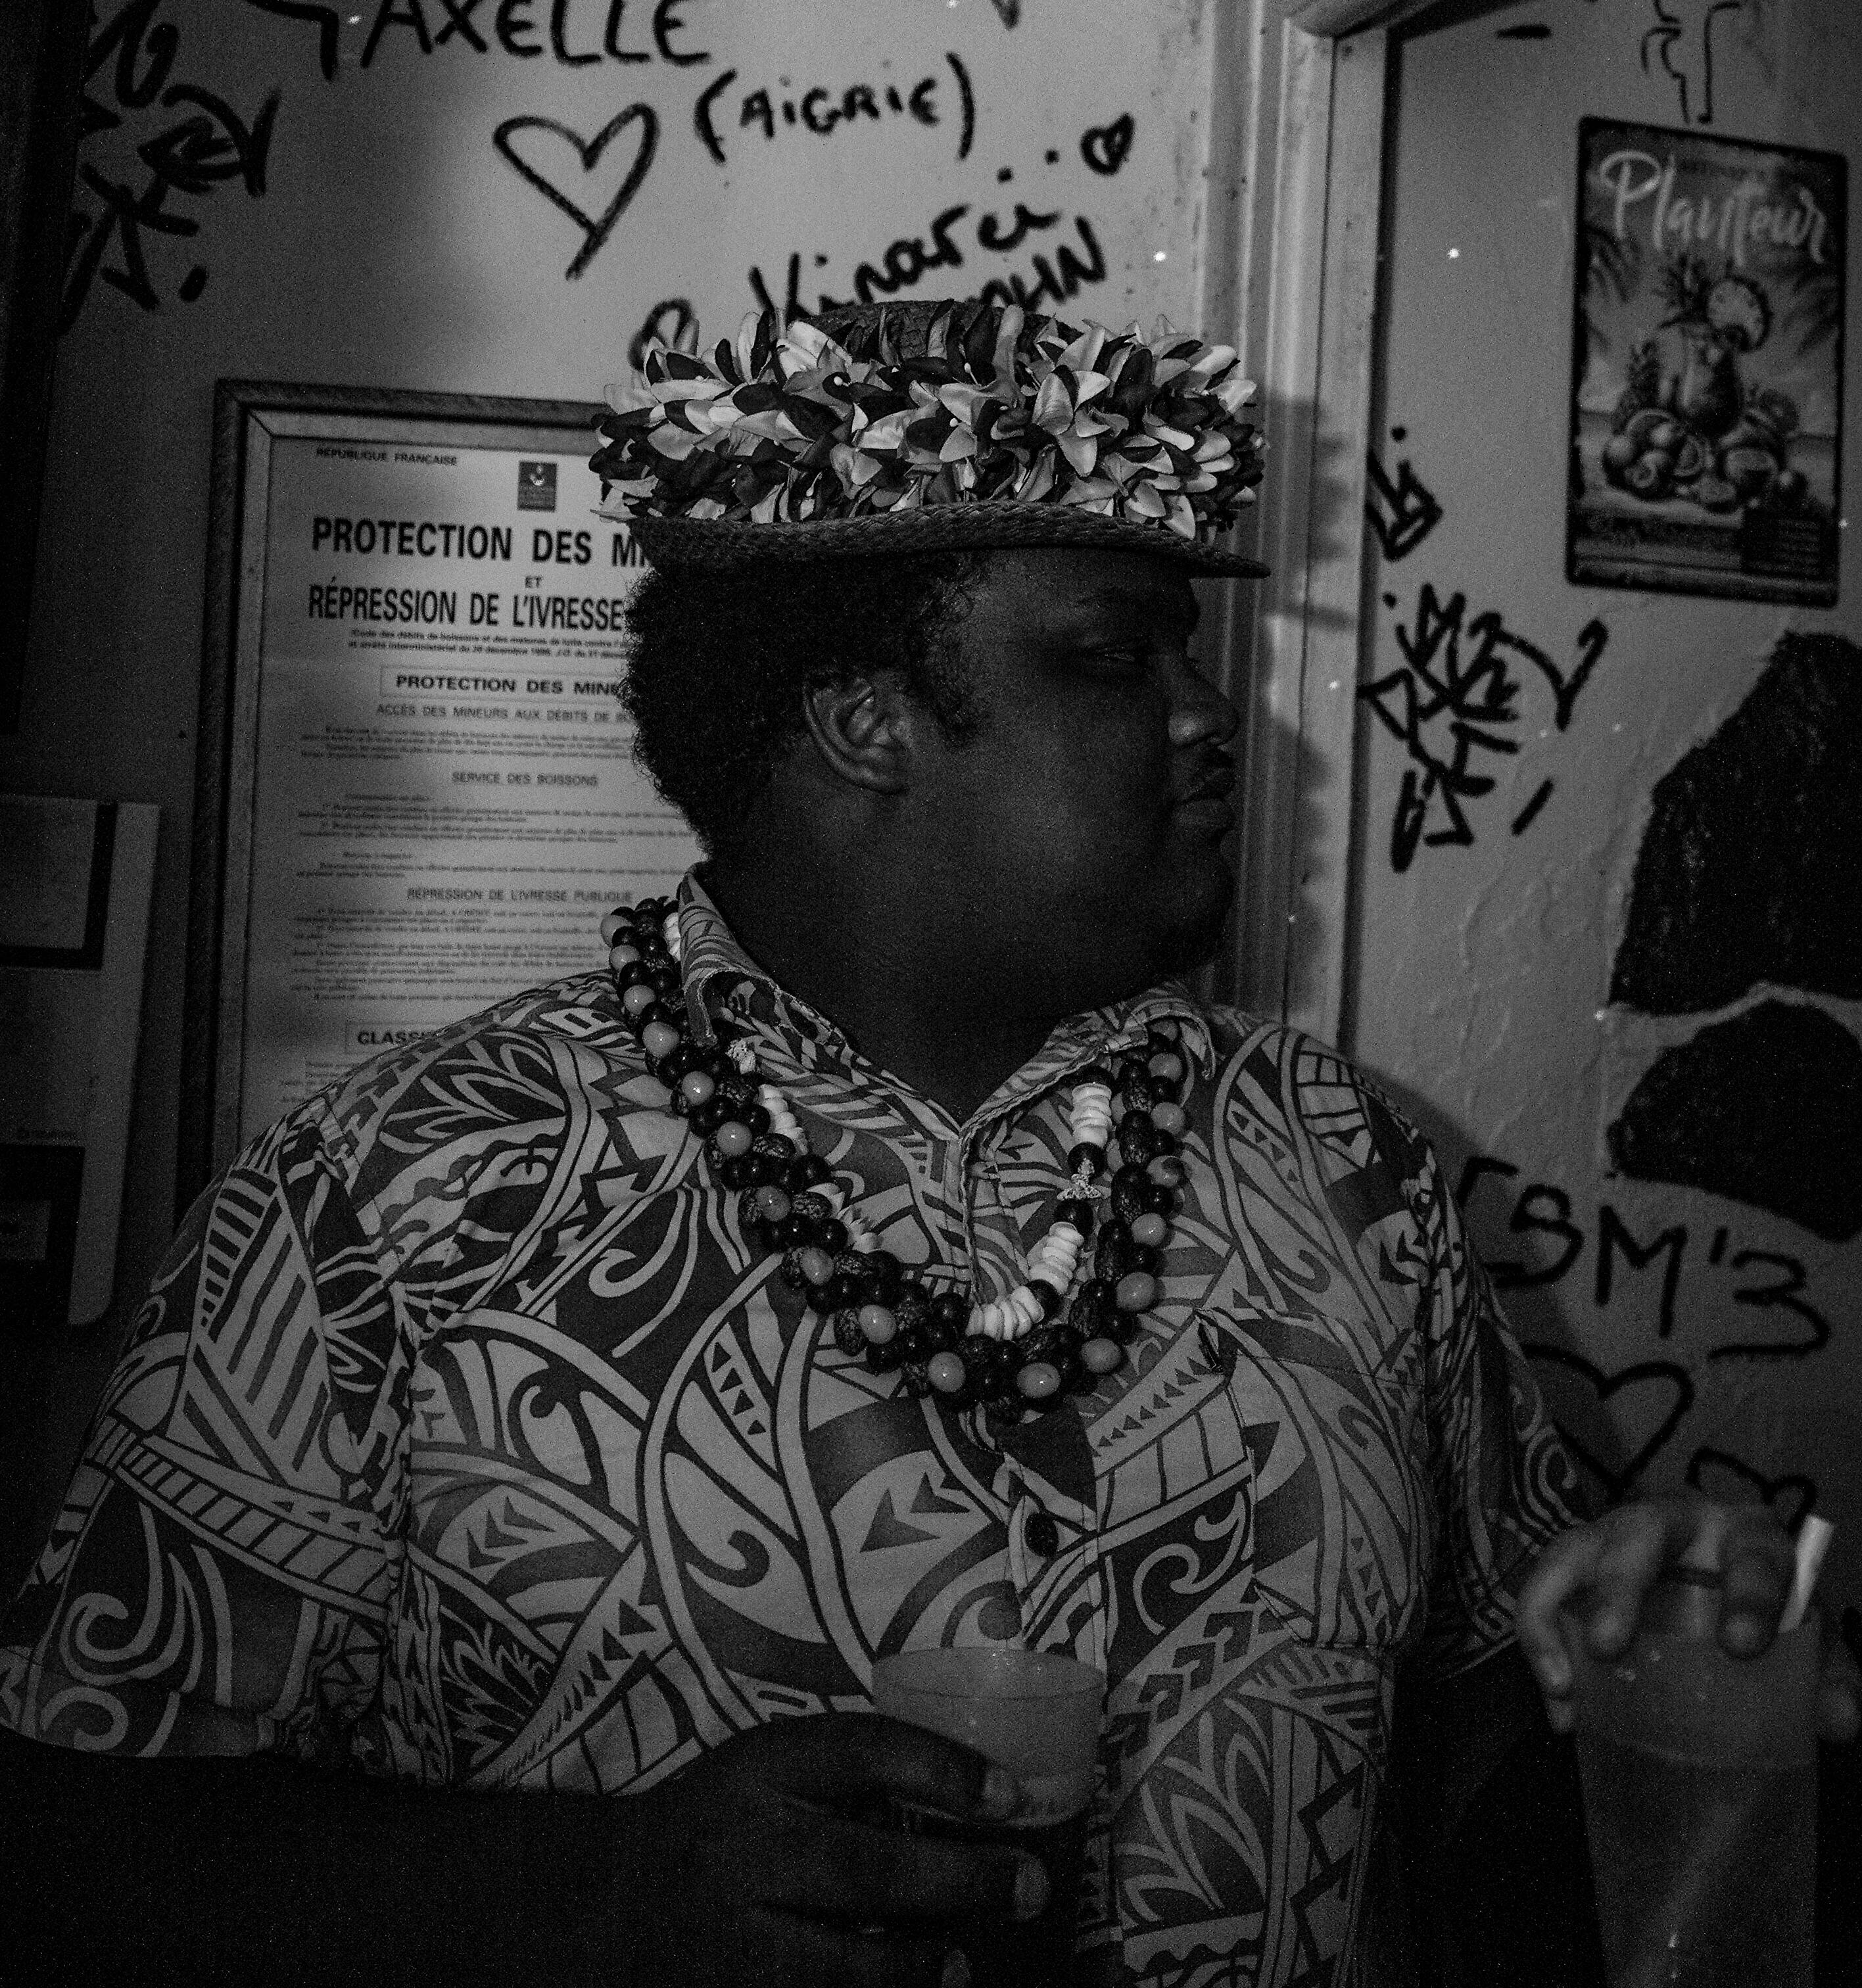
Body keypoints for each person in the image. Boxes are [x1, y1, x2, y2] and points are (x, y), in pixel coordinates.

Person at [0, 296, 1849, 1987]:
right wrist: (588, 1894)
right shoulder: (390, 1194)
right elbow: (68, 1836)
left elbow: (1481, 1732)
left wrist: (1663, 1678)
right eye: (1114, 660)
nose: (1216, 719)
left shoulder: (1340, 1155)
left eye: (1189, 655)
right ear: (866, 724)